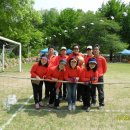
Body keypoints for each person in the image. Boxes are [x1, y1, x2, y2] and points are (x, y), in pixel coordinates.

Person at [93, 44, 107, 109]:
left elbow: (105, 68)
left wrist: (100, 74)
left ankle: (101, 103)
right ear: (93, 51)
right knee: (92, 90)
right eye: (94, 49)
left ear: (99, 51)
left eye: (97, 49)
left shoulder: (102, 58)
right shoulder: (92, 58)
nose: (96, 50)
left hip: (100, 77)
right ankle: (93, 102)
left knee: (100, 91)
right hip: (93, 77)